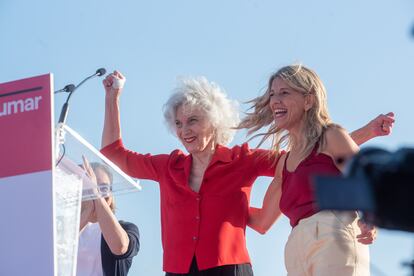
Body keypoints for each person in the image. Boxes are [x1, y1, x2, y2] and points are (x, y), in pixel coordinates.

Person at [99, 70, 392, 275]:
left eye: (193, 120)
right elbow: (114, 153)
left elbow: (309, 156)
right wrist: (113, 96)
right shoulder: (168, 167)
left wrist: (365, 132)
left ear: (214, 121)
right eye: (178, 123)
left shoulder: (243, 160)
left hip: (230, 269)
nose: (185, 130)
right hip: (177, 270)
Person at [240, 64, 395, 276]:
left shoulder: (331, 136)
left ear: (308, 100)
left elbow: (367, 181)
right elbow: (262, 222)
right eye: (272, 94)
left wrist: (370, 220)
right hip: (296, 249)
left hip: (334, 236)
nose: (275, 100)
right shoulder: (284, 163)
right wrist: (217, 199)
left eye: (285, 92)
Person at [77, 160, 140, 276]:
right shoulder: (63, 226)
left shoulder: (126, 228)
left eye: (104, 188)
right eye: (90, 186)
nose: (97, 192)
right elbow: (53, 248)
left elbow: (120, 247)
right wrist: (86, 212)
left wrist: (96, 194)